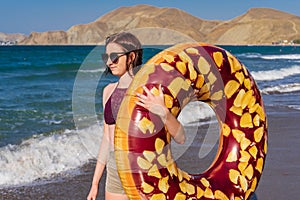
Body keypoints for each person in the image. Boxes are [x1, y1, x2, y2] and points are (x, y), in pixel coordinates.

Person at [87, 32, 185, 200]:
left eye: (114, 57)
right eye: (106, 57)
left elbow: (181, 137)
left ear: (131, 56)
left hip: (144, 170)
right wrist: (95, 183)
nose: (109, 62)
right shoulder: (108, 91)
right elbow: (107, 138)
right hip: (115, 170)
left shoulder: (150, 91)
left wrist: (164, 113)